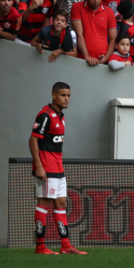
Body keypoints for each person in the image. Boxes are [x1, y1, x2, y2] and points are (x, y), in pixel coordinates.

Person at [29, 82, 87, 255]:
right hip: (46, 168)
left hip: (58, 168)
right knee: (44, 203)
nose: (67, 98)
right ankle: (40, 247)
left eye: (68, 95)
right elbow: (32, 140)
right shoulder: (45, 116)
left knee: (62, 203)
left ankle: (66, 245)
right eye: (63, 95)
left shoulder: (60, 116)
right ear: (53, 95)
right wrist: (39, 166)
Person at [72, 0, 117, 65]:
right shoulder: (77, 7)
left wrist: (106, 58)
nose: (96, 1)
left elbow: (113, 39)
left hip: (102, 59)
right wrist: (87, 56)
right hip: (81, 59)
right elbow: (79, 34)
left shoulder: (109, 11)